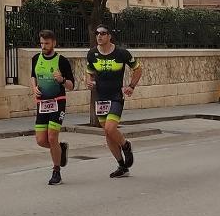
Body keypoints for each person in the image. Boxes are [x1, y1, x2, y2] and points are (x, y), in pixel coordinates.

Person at [84, 25, 142, 179]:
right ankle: (122, 166)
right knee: (108, 135)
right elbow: (89, 74)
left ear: (110, 36)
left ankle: (125, 145)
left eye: (103, 33)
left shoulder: (121, 53)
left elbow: (138, 69)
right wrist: (89, 82)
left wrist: (131, 86)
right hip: (101, 98)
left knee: (111, 128)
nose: (99, 36)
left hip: (116, 96)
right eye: (97, 33)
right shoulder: (92, 54)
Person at [31, 30, 75, 184]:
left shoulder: (61, 61)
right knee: (41, 140)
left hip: (58, 101)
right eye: (41, 43)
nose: (43, 46)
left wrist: (61, 80)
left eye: (46, 43)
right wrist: (34, 87)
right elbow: (33, 76)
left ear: (54, 43)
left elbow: (71, 85)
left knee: (52, 137)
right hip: (42, 103)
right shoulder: (36, 58)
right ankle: (60, 149)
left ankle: (56, 171)